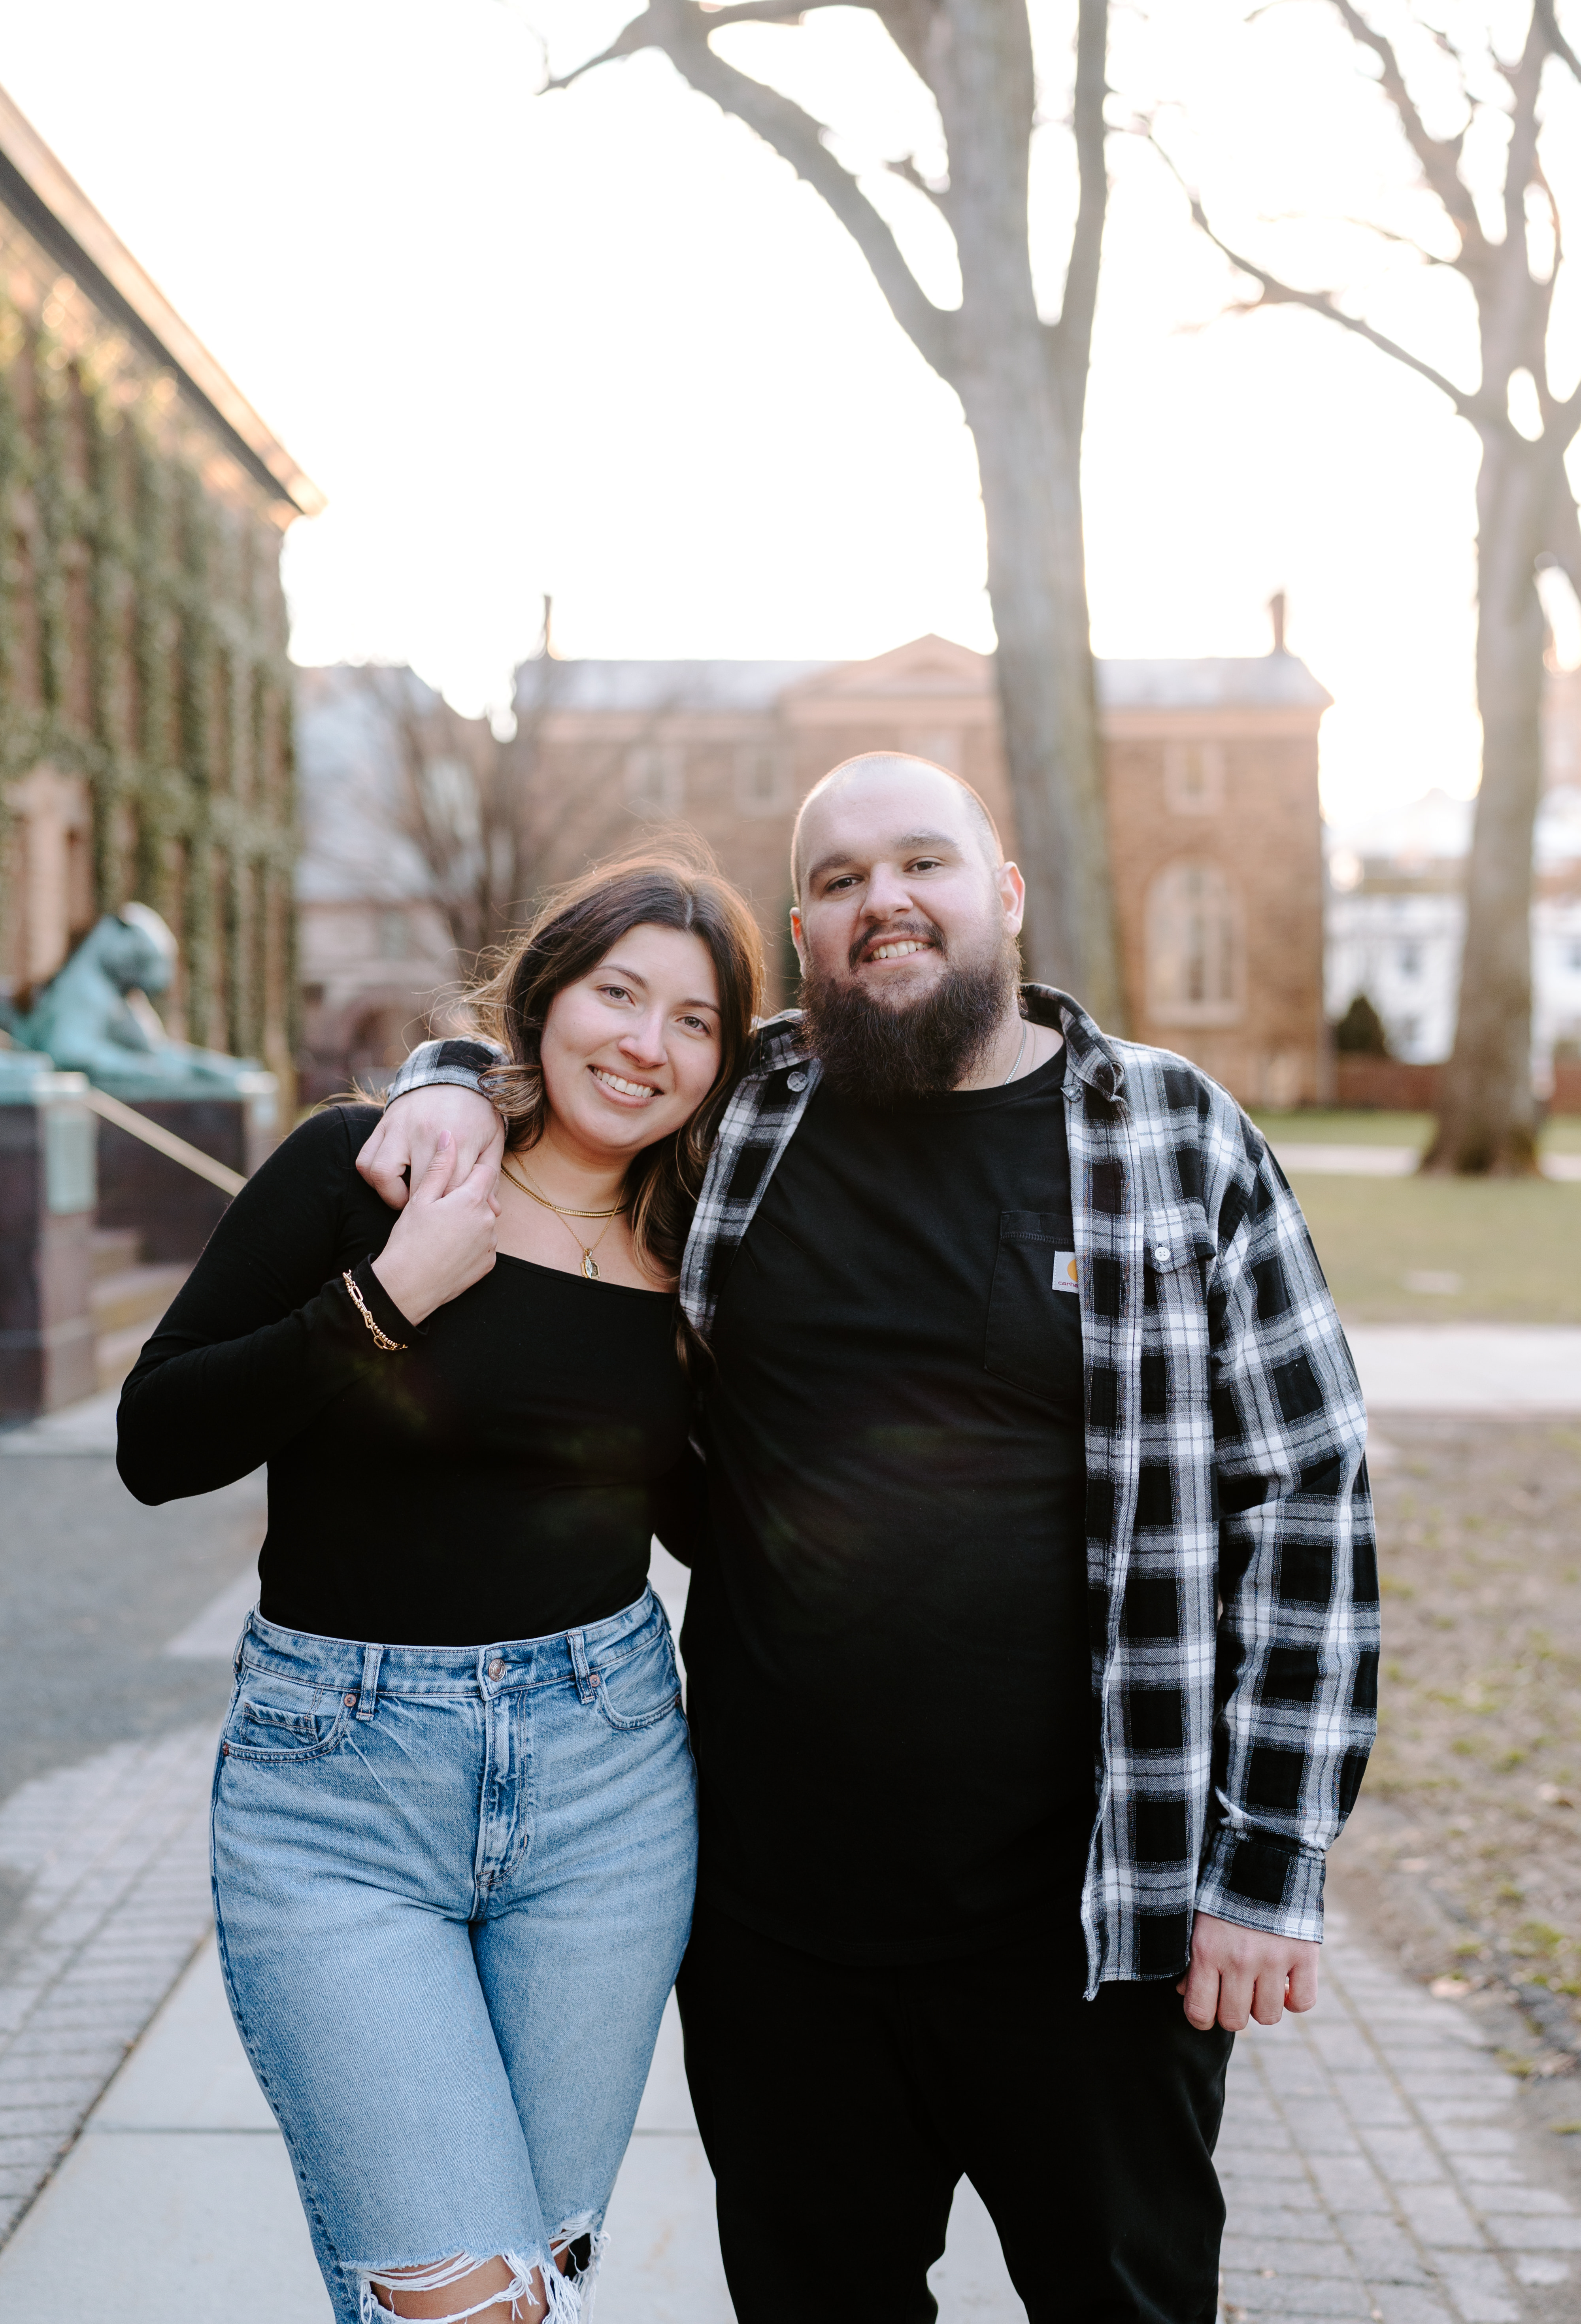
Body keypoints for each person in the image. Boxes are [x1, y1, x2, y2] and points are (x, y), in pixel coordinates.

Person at [359, 755, 1379, 2324]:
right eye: (837, 881)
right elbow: (573, 1064)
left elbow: (1304, 1495)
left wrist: (1269, 1858)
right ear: (803, 927)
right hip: (780, 1938)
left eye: (923, 863)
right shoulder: (745, 1113)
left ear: (1006, 896)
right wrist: (442, 1068)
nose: (881, 900)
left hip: (1097, 1936)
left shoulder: (1174, 1132)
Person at [117, 854, 765, 2324]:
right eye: (616, 993)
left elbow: (715, 1522)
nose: (643, 1046)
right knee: (460, 2300)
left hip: (605, 1792)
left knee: (530, 2285)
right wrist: (386, 1297)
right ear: (544, 998)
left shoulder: (699, 1253)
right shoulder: (378, 1167)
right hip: (336, 1795)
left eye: (694, 1022)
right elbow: (158, 1443)